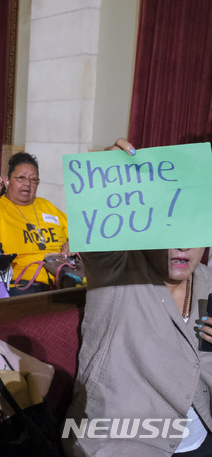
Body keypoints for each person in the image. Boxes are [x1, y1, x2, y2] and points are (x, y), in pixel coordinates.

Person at [65, 138, 212, 457]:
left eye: (195, 224)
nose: (182, 243)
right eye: (170, 222)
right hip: (124, 440)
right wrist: (106, 172)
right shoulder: (118, 268)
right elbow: (95, 232)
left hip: (200, 437)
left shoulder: (206, 281)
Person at [0, 152, 69, 294]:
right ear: (7, 181)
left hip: (63, 279)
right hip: (21, 285)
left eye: (33, 180)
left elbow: (79, 232)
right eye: (21, 178)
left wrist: (71, 242)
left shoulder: (46, 206)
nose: (27, 184)